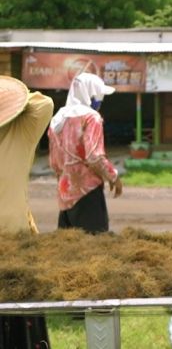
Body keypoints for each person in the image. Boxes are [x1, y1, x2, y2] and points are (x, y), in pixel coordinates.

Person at [0, 75, 53, 348]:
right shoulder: (22, 132)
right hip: (16, 239)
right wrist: (16, 100)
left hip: (15, 241)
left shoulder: (20, 133)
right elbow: (44, 103)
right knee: (20, 312)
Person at [48, 72, 122, 233]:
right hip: (87, 193)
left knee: (69, 247)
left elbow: (54, 163)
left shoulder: (57, 119)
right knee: (94, 248)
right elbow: (94, 156)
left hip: (64, 194)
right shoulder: (91, 117)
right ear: (92, 95)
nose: (101, 101)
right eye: (100, 96)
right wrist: (113, 176)